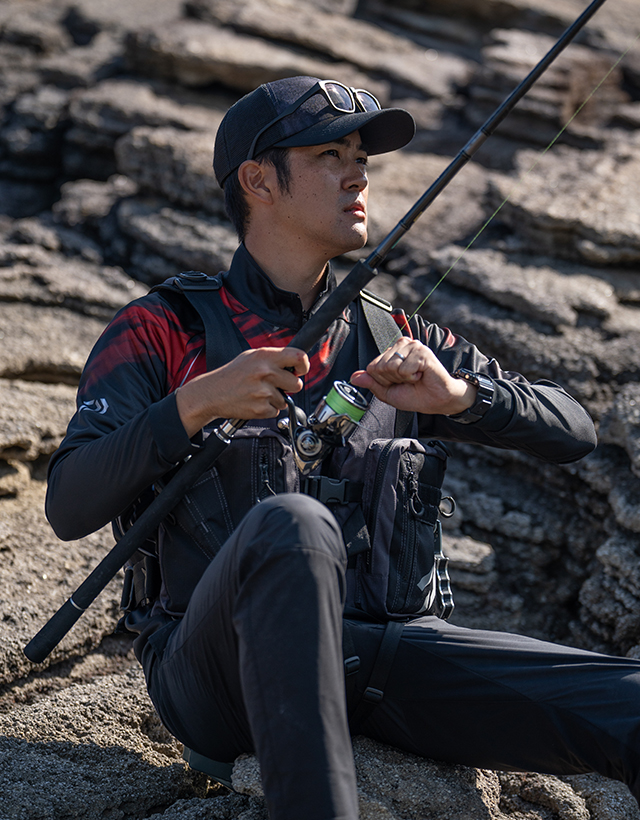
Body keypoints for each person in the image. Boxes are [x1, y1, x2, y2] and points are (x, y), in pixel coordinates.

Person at [45, 76, 640, 820]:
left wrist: (458, 397)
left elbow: (574, 430)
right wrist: (195, 404)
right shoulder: (163, 329)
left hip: (386, 655)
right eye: (331, 154)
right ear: (258, 180)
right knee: (292, 525)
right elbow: (69, 503)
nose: (359, 173)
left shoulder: (395, 335)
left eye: (362, 156)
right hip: (213, 675)